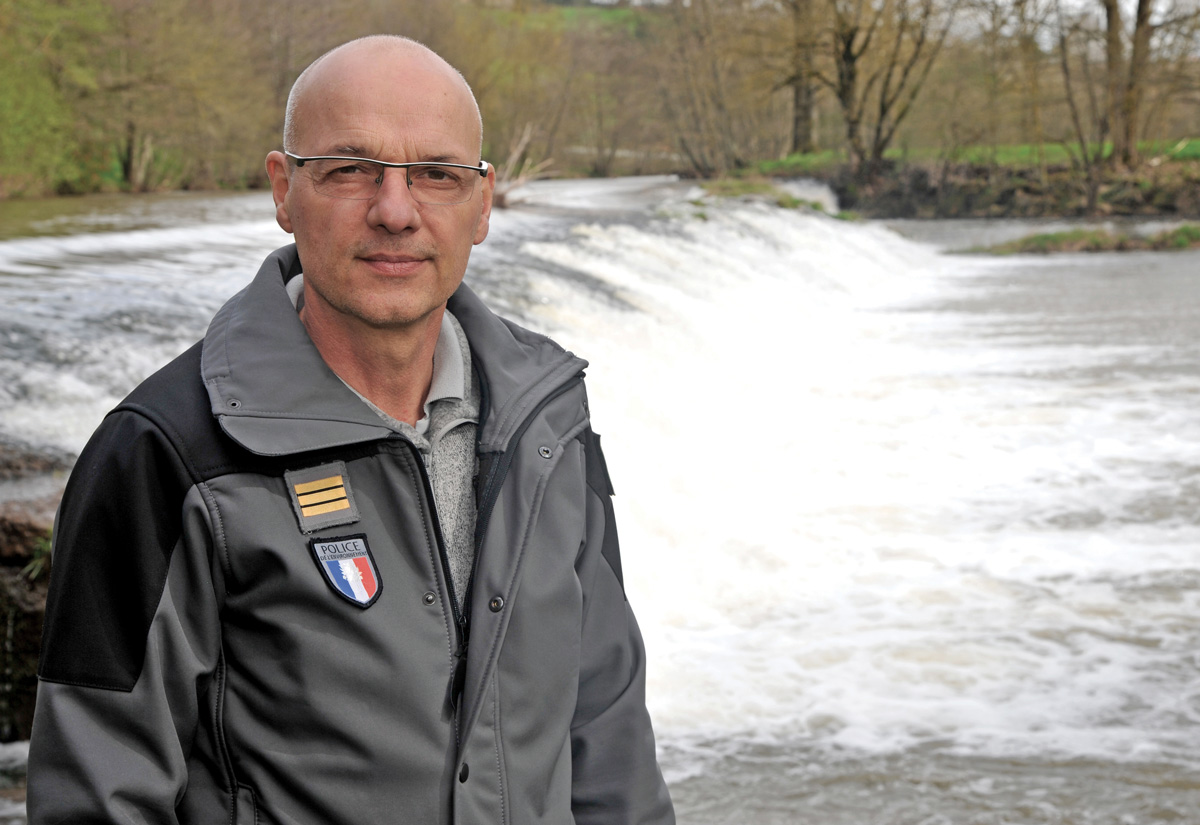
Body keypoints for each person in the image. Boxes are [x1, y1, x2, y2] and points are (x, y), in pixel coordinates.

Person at [28, 35, 674, 825]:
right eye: (350, 169)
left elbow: (608, 738)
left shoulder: (548, 423)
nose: (396, 211)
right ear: (282, 189)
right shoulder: (166, 454)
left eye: (436, 174)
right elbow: (96, 794)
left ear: (481, 204)